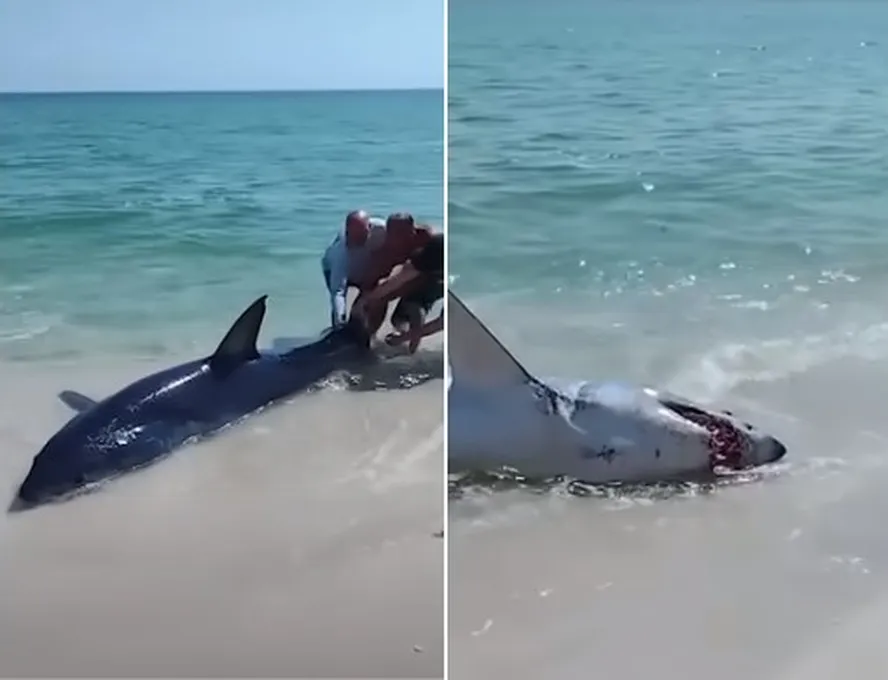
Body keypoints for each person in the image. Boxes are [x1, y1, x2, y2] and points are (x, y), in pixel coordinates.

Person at [352, 230, 444, 353]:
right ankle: (410, 331)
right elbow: (393, 283)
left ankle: (411, 342)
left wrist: (404, 337)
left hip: (444, 281)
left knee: (414, 310)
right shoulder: (433, 250)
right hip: (434, 274)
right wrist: (366, 300)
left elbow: (442, 322)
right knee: (399, 317)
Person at [320, 210, 386, 328]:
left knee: (378, 299)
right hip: (334, 269)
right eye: (353, 236)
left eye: (361, 236)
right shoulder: (340, 253)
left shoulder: (382, 230)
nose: (357, 241)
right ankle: (337, 330)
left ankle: (370, 334)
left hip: (365, 269)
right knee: (338, 308)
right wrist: (340, 321)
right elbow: (338, 292)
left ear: (369, 228)